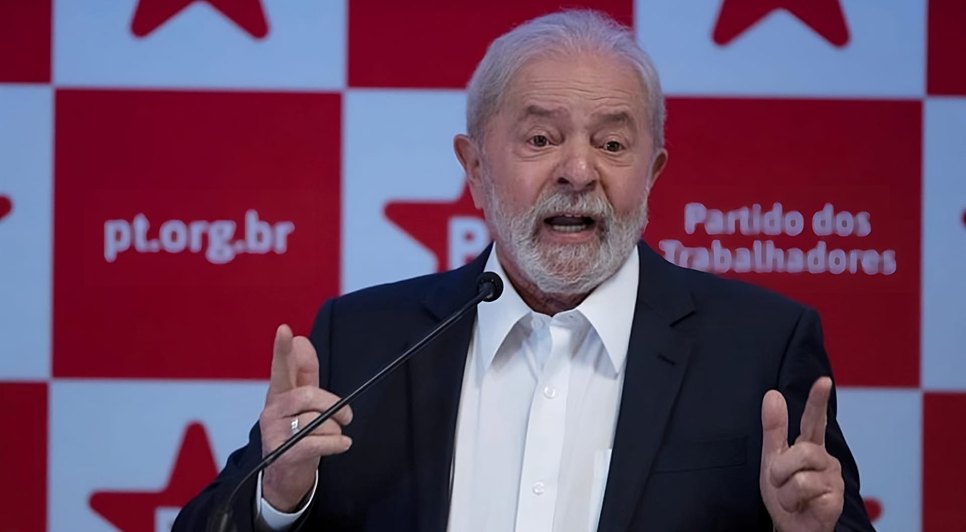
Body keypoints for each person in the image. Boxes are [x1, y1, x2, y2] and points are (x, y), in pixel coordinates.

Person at [175, 9, 874, 531]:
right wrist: (279, 497)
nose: (579, 170)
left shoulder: (759, 349)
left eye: (612, 143)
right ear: (475, 168)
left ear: (653, 173)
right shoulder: (363, 340)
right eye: (541, 138)